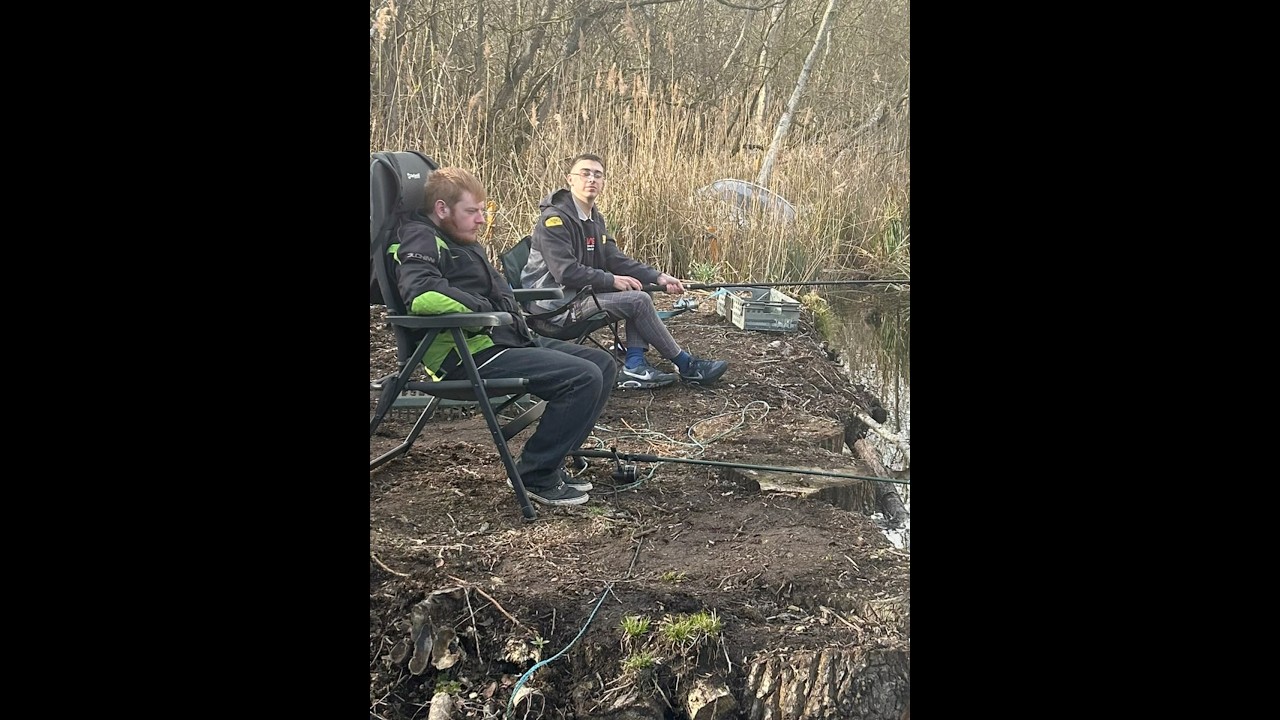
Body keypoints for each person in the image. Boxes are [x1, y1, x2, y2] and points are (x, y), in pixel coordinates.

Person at [394, 166, 617, 507]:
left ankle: (555, 460)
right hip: (468, 353)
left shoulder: (457, 239)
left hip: (503, 339)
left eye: (482, 210)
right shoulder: (421, 239)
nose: (481, 219)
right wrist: (483, 313)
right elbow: (422, 297)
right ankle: (537, 476)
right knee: (581, 377)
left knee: (601, 364)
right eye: (472, 211)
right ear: (442, 209)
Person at [521, 153, 729, 387]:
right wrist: (611, 281)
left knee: (642, 290)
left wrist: (657, 276)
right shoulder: (554, 220)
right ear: (570, 179)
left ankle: (635, 364)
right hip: (554, 308)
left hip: (577, 296)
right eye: (585, 173)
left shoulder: (594, 217)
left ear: (603, 182)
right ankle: (687, 365)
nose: (592, 179)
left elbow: (615, 259)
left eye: (598, 175)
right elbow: (565, 272)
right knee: (637, 300)